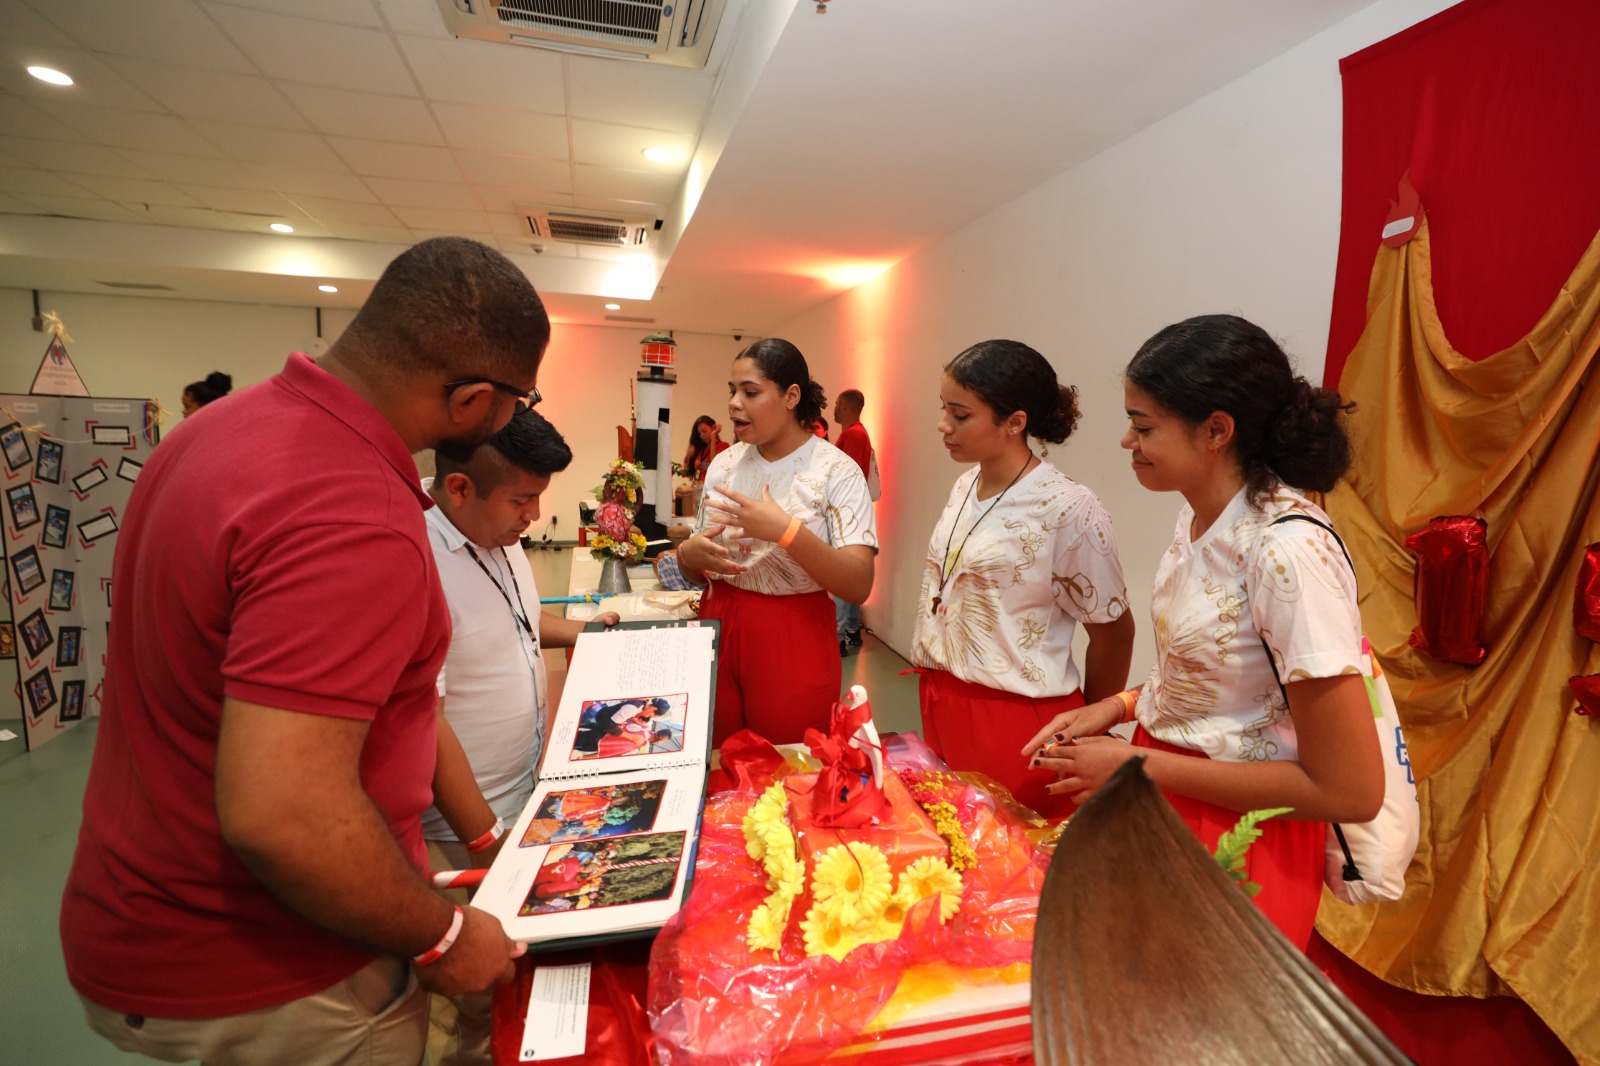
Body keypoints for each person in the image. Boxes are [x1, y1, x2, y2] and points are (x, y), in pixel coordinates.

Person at [60, 236, 548, 1066]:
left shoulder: (215, 431)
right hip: (275, 961)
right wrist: (440, 934)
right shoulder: (353, 511)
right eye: (518, 402)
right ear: (472, 400)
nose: (516, 420)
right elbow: (284, 814)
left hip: (143, 910)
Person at [1026, 314, 1385, 949]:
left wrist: (1136, 763)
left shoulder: (1287, 552)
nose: (1127, 442)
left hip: (1239, 835)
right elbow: (1219, 675)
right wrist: (1118, 706)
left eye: (1144, 427)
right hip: (1167, 798)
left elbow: (1349, 789)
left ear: (1217, 430)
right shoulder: (1197, 522)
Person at [421, 406, 616, 1066]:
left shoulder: (495, 534)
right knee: (469, 995)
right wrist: (488, 839)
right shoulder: (418, 560)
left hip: (520, 799)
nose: (533, 516)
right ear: (459, 488)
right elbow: (423, 719)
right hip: (462, 826)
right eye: (521, 499)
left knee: (510, 976)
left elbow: (519, 625)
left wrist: (587, 634)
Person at [910, 340, 1135, 821]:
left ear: (1014, 422)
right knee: (956, 844)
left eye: (960, 414)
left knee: (1015, 851)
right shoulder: (966, 484)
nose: (943, 425)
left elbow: (1113, 631)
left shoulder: (1069, 507)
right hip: (944, 702)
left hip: (1016, 723)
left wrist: (1089, 726)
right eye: (943, 409)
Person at [675, 339, 877, 746]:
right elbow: (697, 568)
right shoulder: (725, 464)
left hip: (792, 634)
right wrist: (686, 555)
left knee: (787, 764)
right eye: (732, 391)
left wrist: (786, 531)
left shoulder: (835, 470)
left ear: (791, 396)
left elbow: (858, 584)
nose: (734, 403)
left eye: (750, 392)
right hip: (719, 621)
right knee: (717, 756)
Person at [831, 388, 874, 655]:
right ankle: (851, 629)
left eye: (836, 403)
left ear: (845, 405)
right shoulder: (857, 434)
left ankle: (838, 637)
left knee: (840, 576)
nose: (834, 408)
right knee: (848, 574)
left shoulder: (853, 435)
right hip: (851, 514)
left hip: (846, 515)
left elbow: (847, 477)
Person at [682, 414, 729, 482]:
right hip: (698, 485)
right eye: (699, 434)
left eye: (704, 431)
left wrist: (713, 435)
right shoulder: (700, 449)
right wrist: (687, 457)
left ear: (713, 428)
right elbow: (683, 474)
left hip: (713, 485)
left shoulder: (723, 446)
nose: (702, 435)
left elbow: (714, 464)